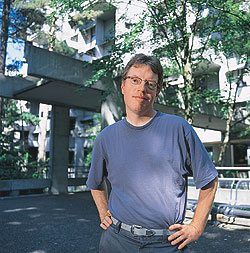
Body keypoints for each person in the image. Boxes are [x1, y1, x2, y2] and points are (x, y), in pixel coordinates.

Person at [86, 54, 218, 252]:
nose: (142, 88)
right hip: (117, 241)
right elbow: (95, 183)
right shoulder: (106, 137)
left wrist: (196, 227)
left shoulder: (178, 128)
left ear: (157, 92)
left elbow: (209, 181)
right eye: (135, 80)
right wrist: (103, 212)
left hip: (166, 243)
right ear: (123, 86)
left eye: (150, 84)